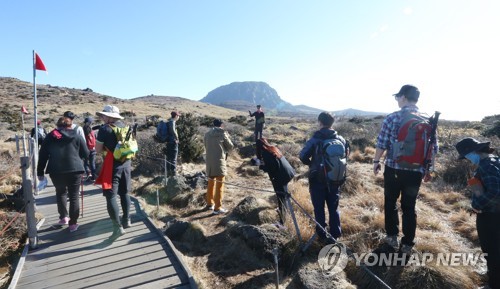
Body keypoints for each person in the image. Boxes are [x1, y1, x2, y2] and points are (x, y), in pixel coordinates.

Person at [373, 84, 438, 253]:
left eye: (397, 97)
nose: (396, 100)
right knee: (409, 207)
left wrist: (376, 161)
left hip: (394, 169)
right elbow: (433, 148)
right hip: (415, 171)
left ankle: (392, 238)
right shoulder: (428, 120)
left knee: (390, 202)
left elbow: (382, 143)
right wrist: (429, 169)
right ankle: (408, 244)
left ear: (403, 97)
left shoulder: (393, 117)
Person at [455, 138, 500, 289]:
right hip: (495, 213)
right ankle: (492, 275)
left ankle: (494, 284)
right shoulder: (495, 160)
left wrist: (476, 205)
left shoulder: (487, 166)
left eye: (466, 156)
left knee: (491, 249)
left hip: (490, 215)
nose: (467, 159)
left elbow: (494, 190)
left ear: (473, 152)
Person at [299, 112, 349, 244]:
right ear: (332, 123)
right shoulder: (341, 139)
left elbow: (303, 156)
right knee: (334, 207)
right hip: (335, 178)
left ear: (320, 122)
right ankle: (335, 235)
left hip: (317, 180)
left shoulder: (315, 139)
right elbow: (345, 157)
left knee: (319, 208)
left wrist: (312, 165)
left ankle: (321, 234)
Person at [37, 117, 89, 232]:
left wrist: (40, 172)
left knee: (60, 193)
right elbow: (86, 153)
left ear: (58, 125)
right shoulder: (76, 135)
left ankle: (64, 217)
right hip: (75, 169)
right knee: (74, 196)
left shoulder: (50, 136)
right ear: (71, 125)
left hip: (56, 171)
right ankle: (73, 224)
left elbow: (43, 155)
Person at [95, 105, 132, 239]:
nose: (102, 117)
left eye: (104, 115)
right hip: (126, 163)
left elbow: (98, 149)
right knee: (124, 193)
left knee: (110, 195)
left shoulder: (104, 129)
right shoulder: (125, 126)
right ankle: (127, 220)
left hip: (112, 165)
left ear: (110, 116)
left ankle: (118, 228)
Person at [257, 138, 295, 226]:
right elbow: (275, 163)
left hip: (281, 176)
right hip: (288, 172)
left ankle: (282, 222)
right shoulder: (273, 149)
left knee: (281, 196)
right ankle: (282, 209)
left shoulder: (266, 153)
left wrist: (261, 166)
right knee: (282, 195)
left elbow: (272, 167)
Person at [204, 119, 234, 215]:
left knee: (210, 183)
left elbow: (206, 146)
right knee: (220, 185)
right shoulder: (222, 134)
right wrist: (228, 137)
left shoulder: (207, 134)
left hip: (209, 162)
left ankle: (210, 204)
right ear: (221, 125)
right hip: (219, 162)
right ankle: (217, 208)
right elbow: (230, 146)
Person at [165, 111, 181, 176]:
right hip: (173, 142)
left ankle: (168, 173)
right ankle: (173, 173)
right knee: (174, 158)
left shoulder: (169, 122)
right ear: (176, 116)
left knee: (169, 158)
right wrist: (177, 139)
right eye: (178, 116)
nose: (179, 117)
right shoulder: (172, 122)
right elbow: (173, 131)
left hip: (169, 142)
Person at [83, 117, 97, 181]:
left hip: (87, 148)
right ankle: (93, 177)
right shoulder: (91, 130)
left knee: (85, 162)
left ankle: (88, 173)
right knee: (92, 163)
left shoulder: (84, 130)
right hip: (93, 148)